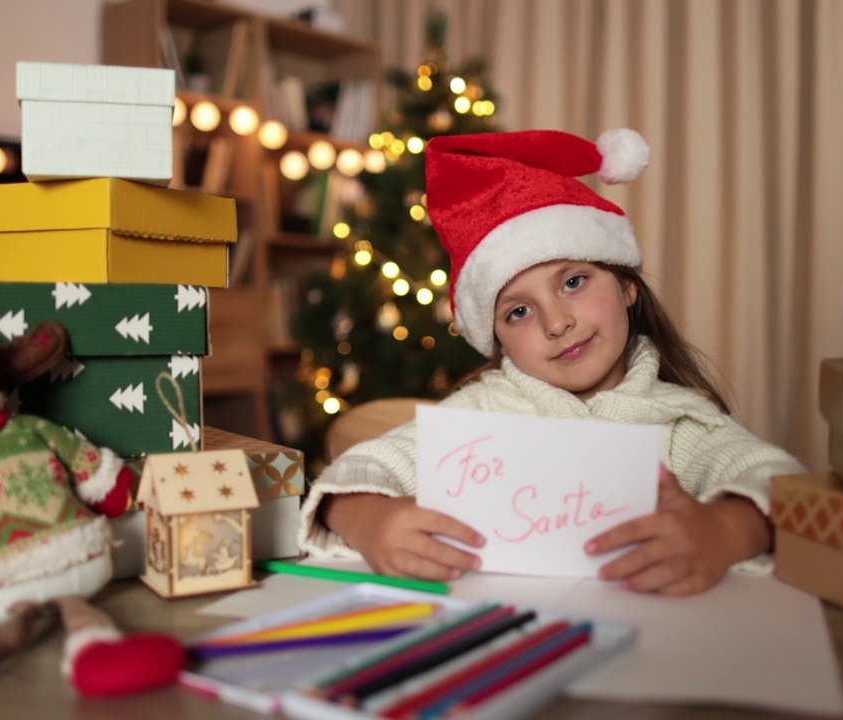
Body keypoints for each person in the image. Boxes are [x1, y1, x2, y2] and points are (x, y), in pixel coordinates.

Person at [298, 128, 806, 596]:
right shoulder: (480, 415)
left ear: (628, 285)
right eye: (519, 311)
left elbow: (780, 483)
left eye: (573, 282)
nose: (556, 322)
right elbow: (359, 472)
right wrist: (371, 523)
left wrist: (721, 531)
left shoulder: (679, 421)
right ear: (496, 338)